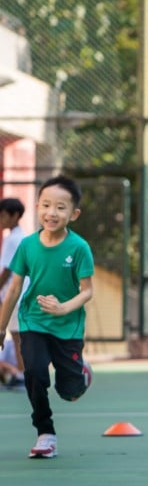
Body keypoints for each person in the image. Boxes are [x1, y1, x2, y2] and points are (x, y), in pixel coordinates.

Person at [0, 177, 94, 459]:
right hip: (33, 321)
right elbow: (14, 287)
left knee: (70, 391)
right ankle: (45, 432)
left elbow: (87, 291)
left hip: (68, 326)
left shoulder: (79, 248)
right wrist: (1, 328)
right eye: (46, 205)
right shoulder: (27, 245)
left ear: (73, 214)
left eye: (60, 207)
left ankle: (81, 374)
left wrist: (65, 308)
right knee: (35, 373)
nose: (52, 212)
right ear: (38, 207)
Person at [0, 197, 28, 387]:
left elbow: (7, 270)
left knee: (17, 336)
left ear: (15, 216)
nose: (1, 220)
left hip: (16, 296)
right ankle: (22, 373)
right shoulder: (19, 236)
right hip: (18, 295)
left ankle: (23, 375)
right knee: (18, 335)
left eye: (3, 216)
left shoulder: (14, 239)